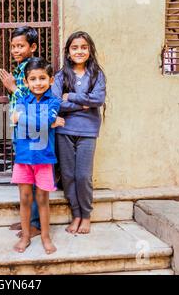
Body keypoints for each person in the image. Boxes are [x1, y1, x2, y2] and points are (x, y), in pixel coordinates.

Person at [51, 31, 106, 235]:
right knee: (68, 175)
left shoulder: (97, 75)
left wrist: (72, 96)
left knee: (83, 175)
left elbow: (98, 100)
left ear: (90, 50)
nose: (79, 51)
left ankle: (86, 215)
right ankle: (76, 214)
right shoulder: (60, 76)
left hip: (88, 131)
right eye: (75, 48)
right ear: (68, 52)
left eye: (83, 47)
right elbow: (56, 103)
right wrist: (82, 103)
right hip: (64, 129)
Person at [10, 57, 65, 254]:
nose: (38, 82)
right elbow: (22, 123)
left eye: (42, 78)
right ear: (26, 82)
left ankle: (45, 236)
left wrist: (25, 119)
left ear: (51, 80)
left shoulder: (54, 101)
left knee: (42, 198)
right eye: (33, 79)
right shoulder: (22, 100)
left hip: (44, 158)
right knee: (25, 198)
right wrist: (46, 122)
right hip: (24, 158)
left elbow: (39, 121)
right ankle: (26, 236)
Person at [0, 26, 41, 239]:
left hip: (32, 129)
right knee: (24, 176)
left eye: (20, 46)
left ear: (32, 47)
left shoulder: (33, 68)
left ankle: (35, 224)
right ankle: (27, 220)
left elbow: (36, 95)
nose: (16, 50)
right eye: (13, 46)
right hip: (21, 127)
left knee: (31, 177)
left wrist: (12, 87)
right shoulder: (19, 68)